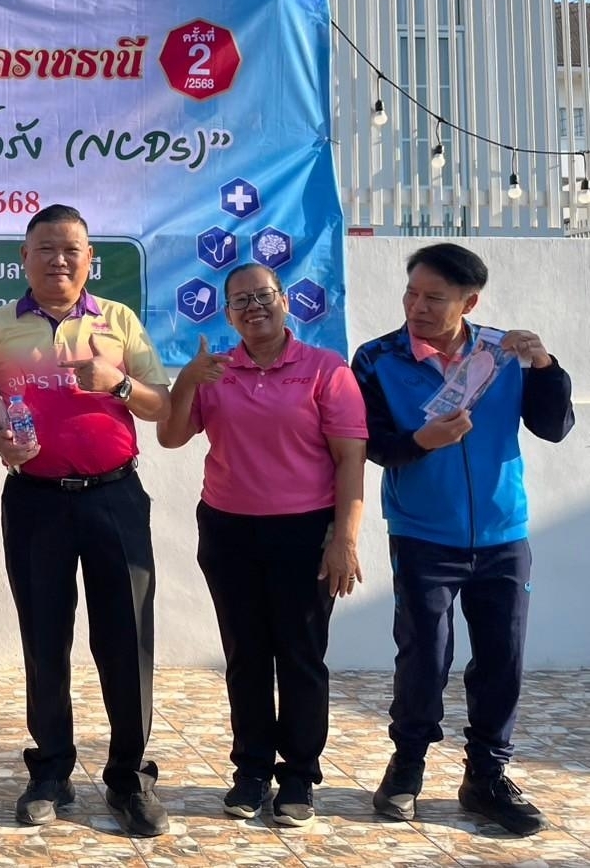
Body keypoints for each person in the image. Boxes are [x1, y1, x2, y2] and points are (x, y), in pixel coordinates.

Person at [352, 242, 574, 837]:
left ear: (469, 303)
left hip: (504, 535)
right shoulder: (376, 359)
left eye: (435, 298)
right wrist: (419, 442)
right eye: (411, 293)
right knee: (424, 654)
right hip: (423, 533)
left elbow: (554, 427)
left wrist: (546, 367)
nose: (417, 307)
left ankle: (487, 776)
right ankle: (407, 766)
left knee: (503, 657)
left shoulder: (504, 355)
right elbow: (368, 443)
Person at [0, 203, 172, 837]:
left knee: (126, 638)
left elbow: (161, 407)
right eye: (46, 249)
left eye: (71, 249)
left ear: (90, 259)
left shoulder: (119, 320)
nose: (59, 260)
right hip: (34, 501)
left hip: (114, 498)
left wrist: (116, 383)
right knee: (44, 636)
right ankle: (51, 770)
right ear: (24, 258)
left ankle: (129, 777)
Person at [156, 263, 367, 829]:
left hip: (305, 533)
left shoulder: (325, 369)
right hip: (229, 532)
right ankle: (251, 770)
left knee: (300, 657)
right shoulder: (215, 371)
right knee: (245, 656)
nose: (254, 308)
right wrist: (186, 381)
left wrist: (345, 539)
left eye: (263, 296)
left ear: (285, 301)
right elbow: (171, 437)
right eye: (241, 302)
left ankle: (298, 776)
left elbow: (350, 459)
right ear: (228, 316)